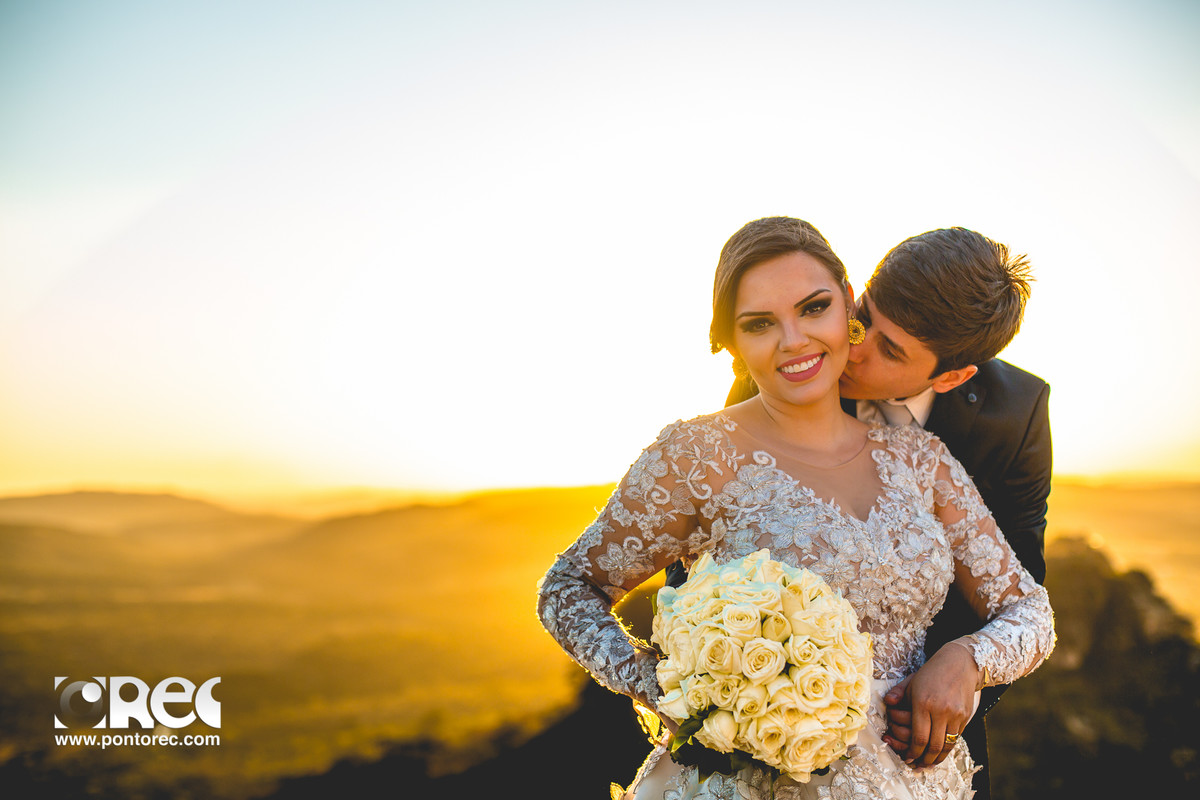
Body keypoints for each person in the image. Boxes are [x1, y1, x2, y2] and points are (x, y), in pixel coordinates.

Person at [536, 216, 1055, 799]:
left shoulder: (927, 457)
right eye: (761, 323)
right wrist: (678, 688)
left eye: (814, 309)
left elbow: (1026, 604)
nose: (809, 342)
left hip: (912, 771)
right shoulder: (701, 450)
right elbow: (571, 586)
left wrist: (968, 661)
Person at [723, 227, 1051, 800]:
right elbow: (707, 544)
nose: (854, 343)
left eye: (891, 349)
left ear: (951, 377)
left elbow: (1021, 582)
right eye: (864, 314)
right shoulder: (788, 367)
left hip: (920, 745)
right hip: (771, 727)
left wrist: (963, 678)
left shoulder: (1017, 414)